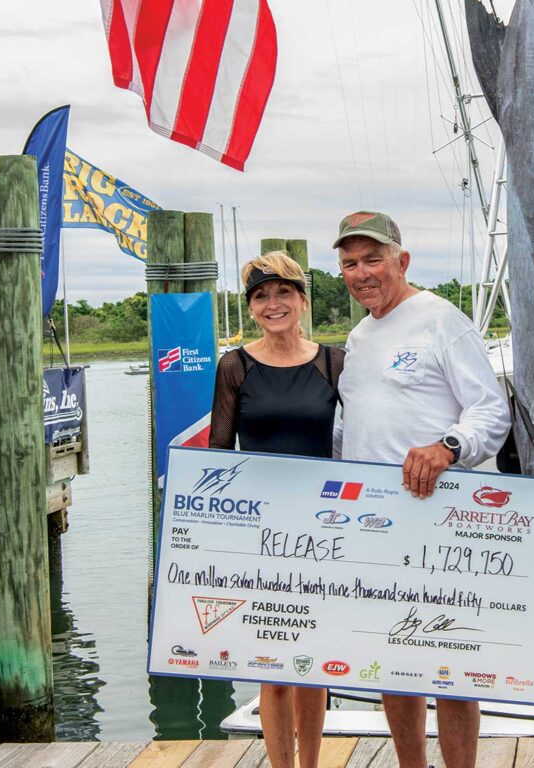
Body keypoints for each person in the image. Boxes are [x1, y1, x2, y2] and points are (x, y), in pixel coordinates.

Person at [334, 211, 511, 768]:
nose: (362, 273)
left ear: (401, 261)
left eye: (373, 259)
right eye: (349, 263)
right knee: (392, 659)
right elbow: (348, 429)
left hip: (441, 523)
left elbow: (491, 408)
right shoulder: (358, 337)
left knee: (451, 658)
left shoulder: (441, 319)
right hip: (374, 528)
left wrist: (448, 447)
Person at [209, 250, 344, 768]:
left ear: (303, 300)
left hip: (324, 532)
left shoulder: (334, 361)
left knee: (312, 665)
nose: (273, 303)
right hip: (260, 535)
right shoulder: (235, 366)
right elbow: (219, 457)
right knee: (273, 664)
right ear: (251, 308)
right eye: (261, 296)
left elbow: (355, 445)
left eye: (283, 293)